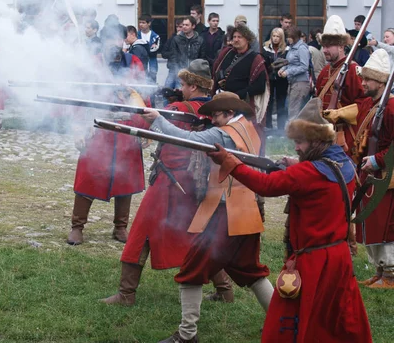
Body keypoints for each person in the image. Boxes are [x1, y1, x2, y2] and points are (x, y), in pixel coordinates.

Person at [208, 98, 372, 342]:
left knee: (296, 323)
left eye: (299, 142)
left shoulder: (305, 174)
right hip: (338, 257)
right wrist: (294, 164)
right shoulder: (344, 164)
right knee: (336, 320)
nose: (295, 148)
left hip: (313, 261)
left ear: (316, 141)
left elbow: (265, 185)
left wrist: (232, 163)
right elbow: (321, 171)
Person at [102, 60, 235, 306]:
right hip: (197, 181)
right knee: (199, 236)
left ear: (194, 86)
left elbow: (141, 123)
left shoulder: (178, 108)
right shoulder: (211, 111)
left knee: (140, 233)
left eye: (184, 84)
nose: (181, 87)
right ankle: (225, 289)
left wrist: (120, 111)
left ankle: (126, 294)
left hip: (170, 180)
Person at [143, 92, 273, 343]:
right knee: (252, 273)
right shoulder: (248, 128)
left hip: (226, 213)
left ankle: (187, 334)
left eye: (216, 115)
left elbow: (186, 140)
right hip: (246, 211)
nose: (213, 120)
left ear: (228, 113)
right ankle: (284, 324)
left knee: (191, 271)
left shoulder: (224, 133)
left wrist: (157, 118)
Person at [67, 28, 146, 245]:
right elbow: (79, 97)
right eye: (109, 38)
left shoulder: (134, 62)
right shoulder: (93, 64)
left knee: (126, 179)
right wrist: (78, 128)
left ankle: (120, 227)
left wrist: (144, 127)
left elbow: (143, 96)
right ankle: (77, 226)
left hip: (126, 128)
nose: (114, 42)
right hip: (97, 127)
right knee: (88, 177)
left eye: (117, 38)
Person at [352, 49, 394, 288]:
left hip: (387, 175)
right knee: (371, 222)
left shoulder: (390, 107)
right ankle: (379, 271)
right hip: (371, 172)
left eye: (368, 79)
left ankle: (390, 274)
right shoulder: (372, 104)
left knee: (385, 224)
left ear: (380, 82)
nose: (363, 82)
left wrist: (376, 160)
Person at [316, 15, 365, 153]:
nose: (324, 50)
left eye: (329, 46)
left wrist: (339, 114)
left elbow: (364, 104)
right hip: (323, 135)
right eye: (323, 46)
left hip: (344, 137)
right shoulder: (325, 71)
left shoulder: (353, 71)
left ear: (342, 46)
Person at [212, 24, 269, 131]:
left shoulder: (255, 58)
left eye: (240, 37)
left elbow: (260, 86)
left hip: (242, 104)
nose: (236, 40)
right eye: (234, 37)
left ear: (247, 39)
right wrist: (221, 80)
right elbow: (217, 70)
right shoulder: (227, 53)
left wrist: (238, 95)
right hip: (224, 101)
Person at [279, 27, 311, 119]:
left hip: (300, 83)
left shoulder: (302, 48)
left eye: (289, 37)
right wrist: (282, 69)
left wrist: (288, 72)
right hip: (293, 83)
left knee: (294, 111)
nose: (287, 39)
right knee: (290, 108)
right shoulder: (292, 48)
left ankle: (293, 132)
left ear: (294, 37)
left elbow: (304, 66)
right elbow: (290, 62)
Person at [165, 16, 205, 89]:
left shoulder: (200, 40)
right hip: (179, 72)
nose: (184, 27)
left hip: (194, 73)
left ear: (193, 26)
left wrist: (198, 72)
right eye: (183, 25)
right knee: (177, 92)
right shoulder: (176, 39)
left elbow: (202, 58)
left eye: (187, 25)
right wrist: (177, 71)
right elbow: (173, 57)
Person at [261, 27, 289, 131]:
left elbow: (287, 63)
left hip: (282, 79)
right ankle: (268, 126)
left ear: (281, 38)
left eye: (278, 36)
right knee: (269, 102)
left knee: (281, 102)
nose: (275, 38)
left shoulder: (286, 49)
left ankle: (281, 127)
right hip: (269, 78)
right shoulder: (266, 48)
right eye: (274, 36)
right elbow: (263, 64)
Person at [137, 14, 161, 83]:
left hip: (152, 62)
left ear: (149, 23)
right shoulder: (136, 35)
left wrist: (142, 48)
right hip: (140, 63)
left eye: (143, 23)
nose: (141, 24)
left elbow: (154, 50)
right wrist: (148, 47)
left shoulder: (155, 36)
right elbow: (134, 49)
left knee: (152, 82)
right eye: (140, 22)